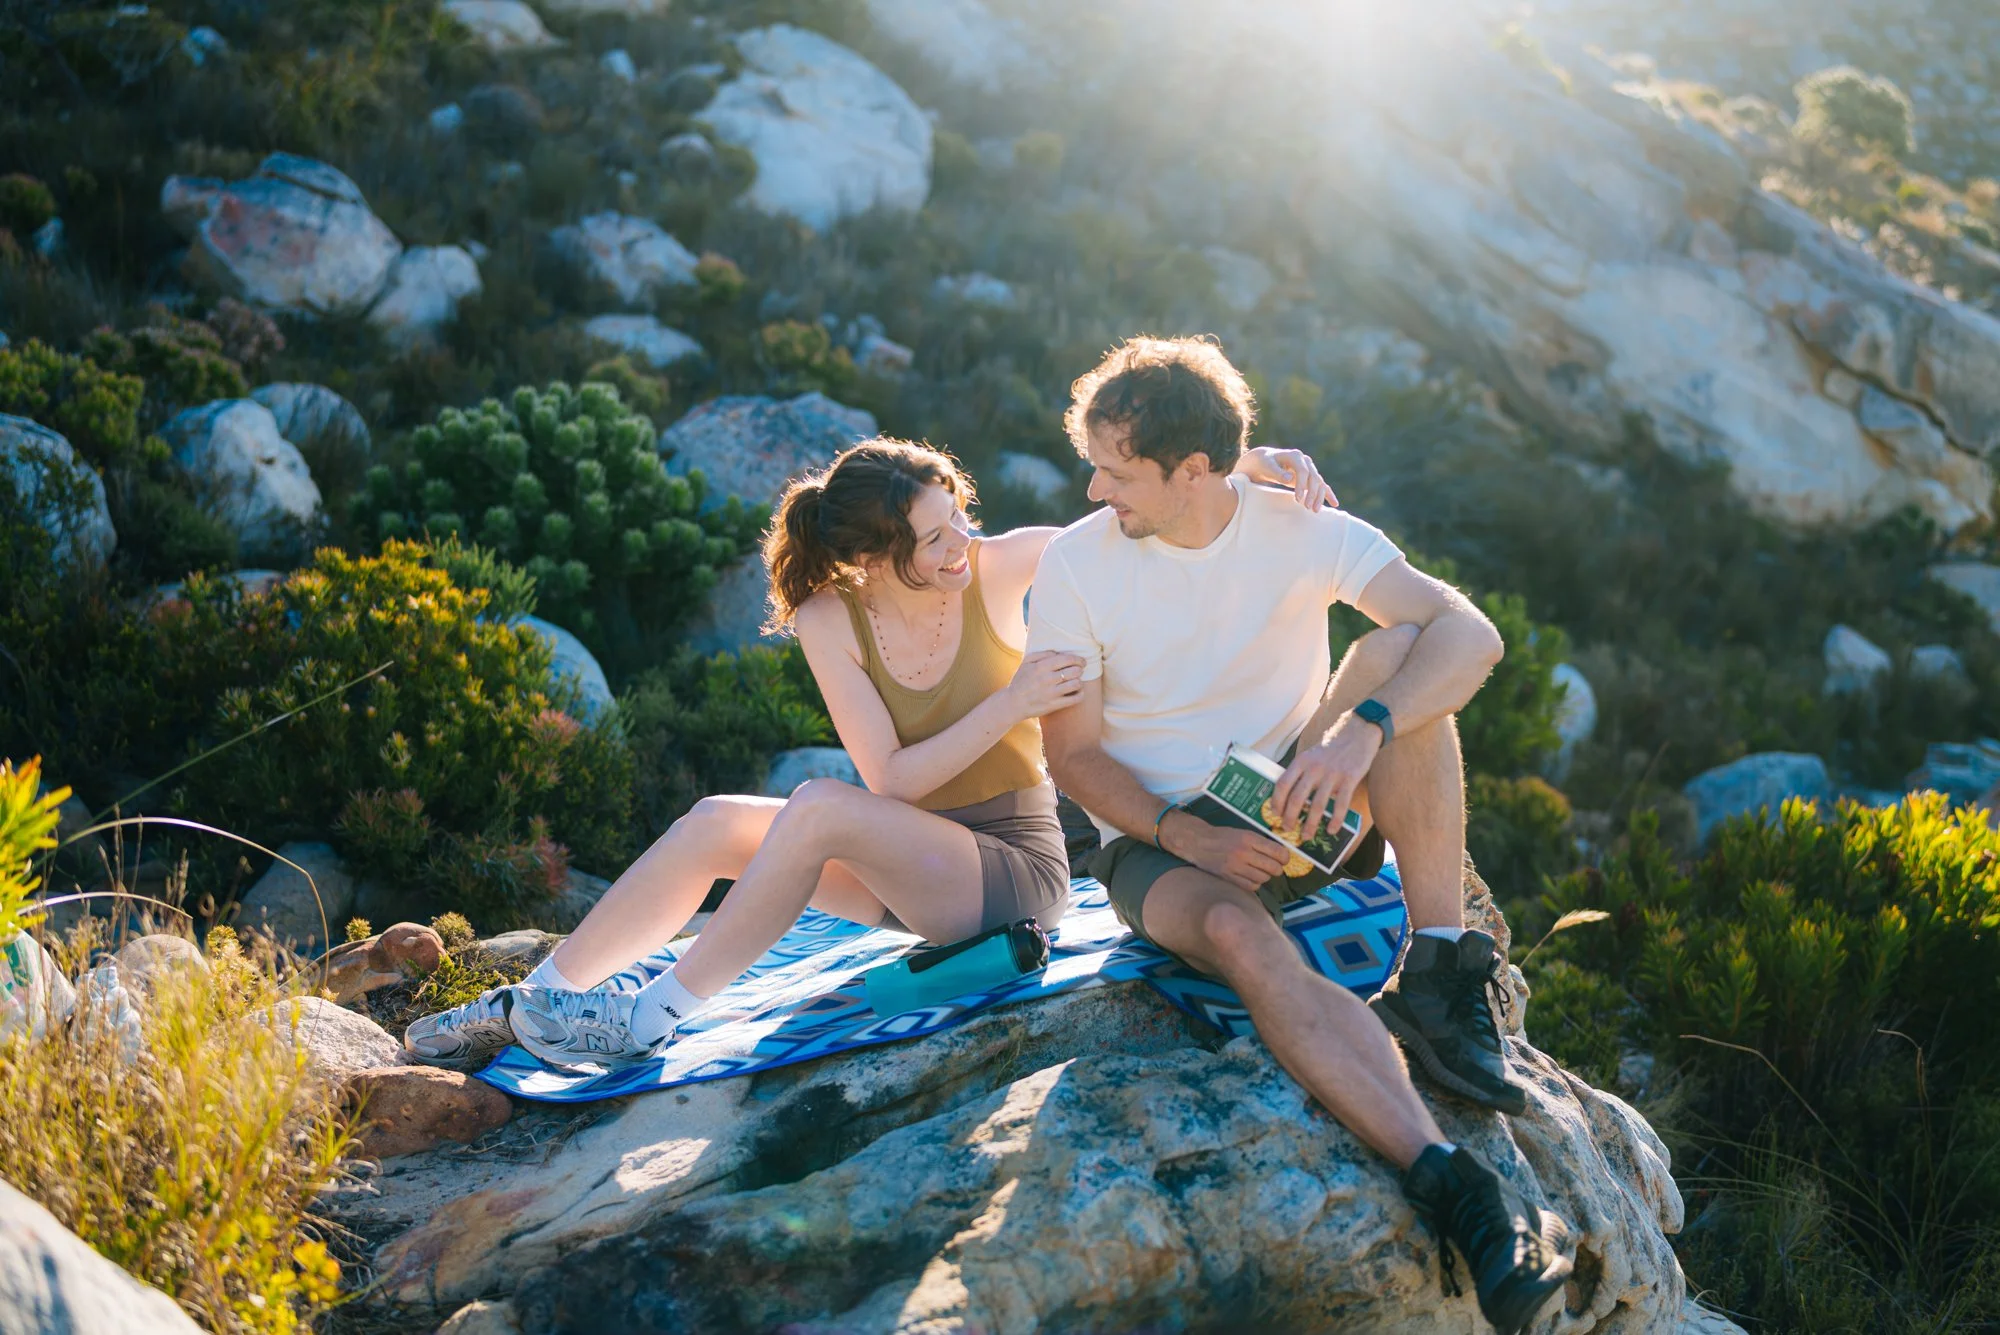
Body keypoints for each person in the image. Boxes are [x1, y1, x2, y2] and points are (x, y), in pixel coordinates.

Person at [403, 435, 1334, 1072]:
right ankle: (539, 997)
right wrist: (1011, 698)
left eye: (957, 516)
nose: (960, 543)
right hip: (903, 853)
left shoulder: (1006, 565)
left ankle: (651, 1016)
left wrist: (1247, 465)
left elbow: (1140, 514)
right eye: (933, 538)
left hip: (1009, 869)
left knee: (816, 806)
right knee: (715, 823)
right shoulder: (827, 617)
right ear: (872, 555)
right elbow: (892, 779)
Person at [1027, 336, 1572, 1334]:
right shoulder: (1075, 569)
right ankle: (1455, 1189)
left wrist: (1358, 733)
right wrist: (1187, 841)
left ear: (1193, 472)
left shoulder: (1294, 524)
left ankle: (1441, 975)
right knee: (1240, 936)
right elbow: (1074, 760)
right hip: (1159, 840)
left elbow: (1471, 637)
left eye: (1115, 469)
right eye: (1093, 463)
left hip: (1293, 789)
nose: (1094, 488)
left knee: (1408, 666)